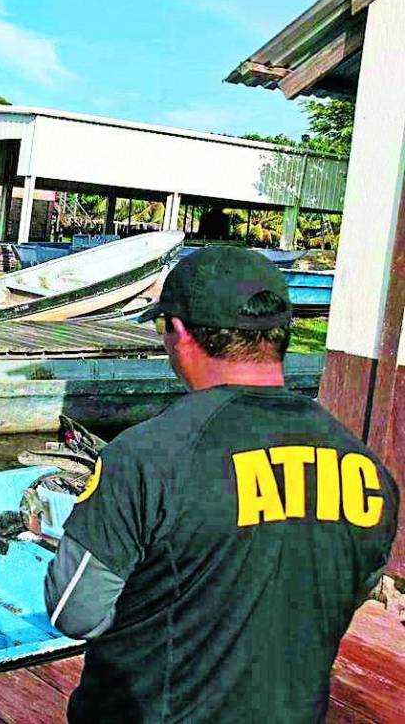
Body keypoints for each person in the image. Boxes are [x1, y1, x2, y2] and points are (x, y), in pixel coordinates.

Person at [43, 246, 398, 722]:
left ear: (179, 332)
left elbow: (74, 610)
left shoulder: (145, 456)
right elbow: (343, 589)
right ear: (279, 334)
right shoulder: (367, 469)